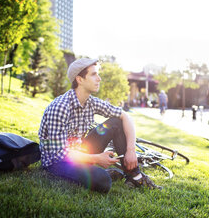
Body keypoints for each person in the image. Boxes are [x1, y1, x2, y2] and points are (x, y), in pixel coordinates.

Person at [38, 58, 161, 193]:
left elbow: (125, 116)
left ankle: (135, 176)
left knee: (116, 122)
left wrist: (131, 149)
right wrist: (97, 158)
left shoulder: (91, 102)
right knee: (103, 181)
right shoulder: (60, 107)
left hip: (79, 150)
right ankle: (106, 173)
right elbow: (60, 154)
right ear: (80, 80)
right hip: (57, 163)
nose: (99, 78)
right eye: (94, 74)